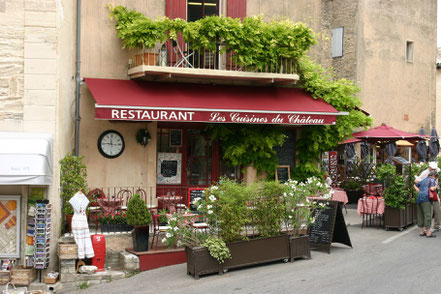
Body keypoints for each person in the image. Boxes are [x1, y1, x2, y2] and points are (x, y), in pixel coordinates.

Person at [415, 162, 440, 231]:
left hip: (433, 193)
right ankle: (428, 229)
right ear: (429, 167)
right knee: (429, 211)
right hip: (428, 194)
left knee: (437, 209)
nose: (434, 170)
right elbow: (416, 181)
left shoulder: (435, 171)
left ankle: (436, 226)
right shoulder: (425, 173)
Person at [414, 171, 438, 238]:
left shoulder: (423, 180)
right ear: (433, 176)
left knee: (420, 214)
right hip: (426, 199)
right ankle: (428, 232)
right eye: (436, 177)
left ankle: (421, 232)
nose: (435, 179)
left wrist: (419, 191)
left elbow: (415, 185)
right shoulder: (432, 180)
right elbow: (431, 188)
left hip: (419, 199)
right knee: (427, 214)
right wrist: (436, 186)